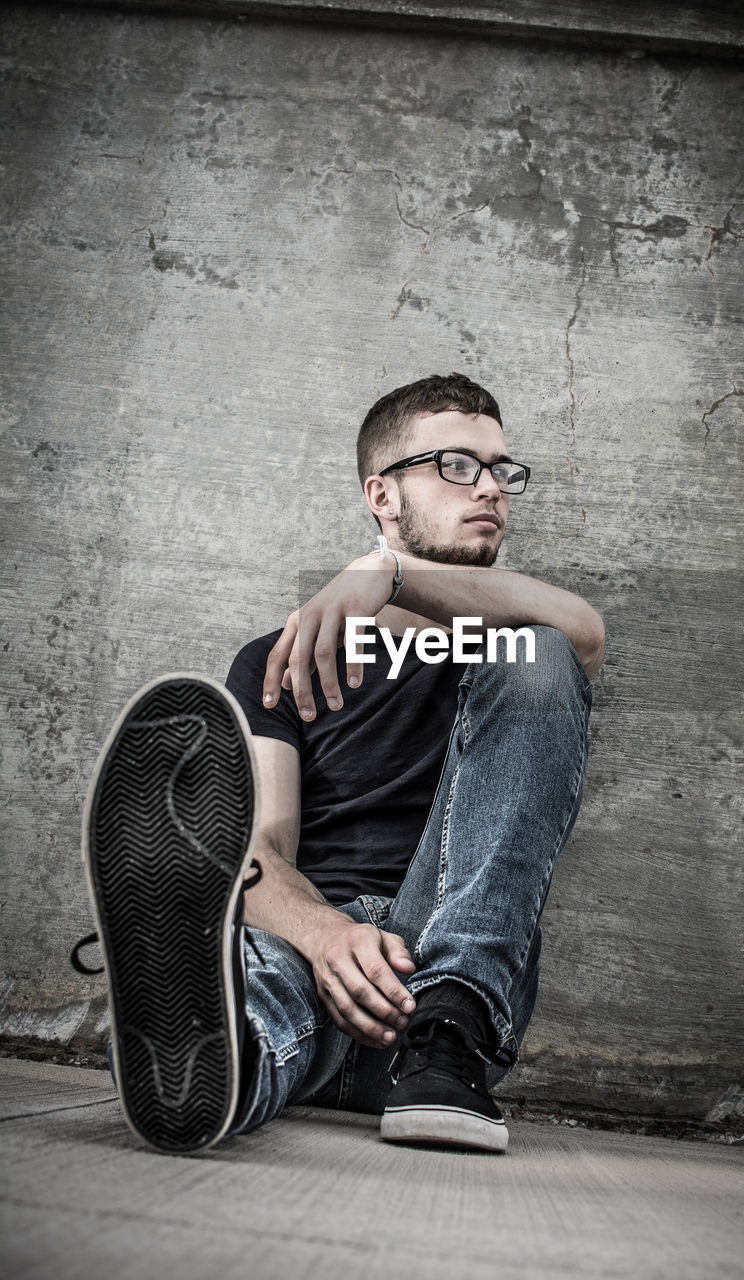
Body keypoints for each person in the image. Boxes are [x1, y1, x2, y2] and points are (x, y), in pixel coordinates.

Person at [73, 372, 605, 1157]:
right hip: (309, 968)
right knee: (264, 979)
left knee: (538, 648)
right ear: (381, 496)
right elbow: (256, 849)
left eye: (499, 470)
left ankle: (449, 1025)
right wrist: (326, 937)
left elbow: (582, 630)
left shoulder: (517, 649)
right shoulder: (276, 661)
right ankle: (206, 1054)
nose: (489, 488)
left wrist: (388, 573)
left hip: (439, 983)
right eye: (456, 465)